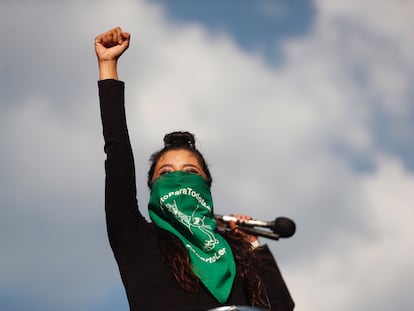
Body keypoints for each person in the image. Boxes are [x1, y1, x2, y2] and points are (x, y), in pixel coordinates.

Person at [95, 27, 294, 311]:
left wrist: (253, 246)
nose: (178, 179)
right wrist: (108, 66)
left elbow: (282, 308)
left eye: (190, 171)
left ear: (207, 186)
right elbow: (117, 155)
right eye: (165, 173)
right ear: (151, 186)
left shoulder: (234, 253)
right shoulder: (135, 238)